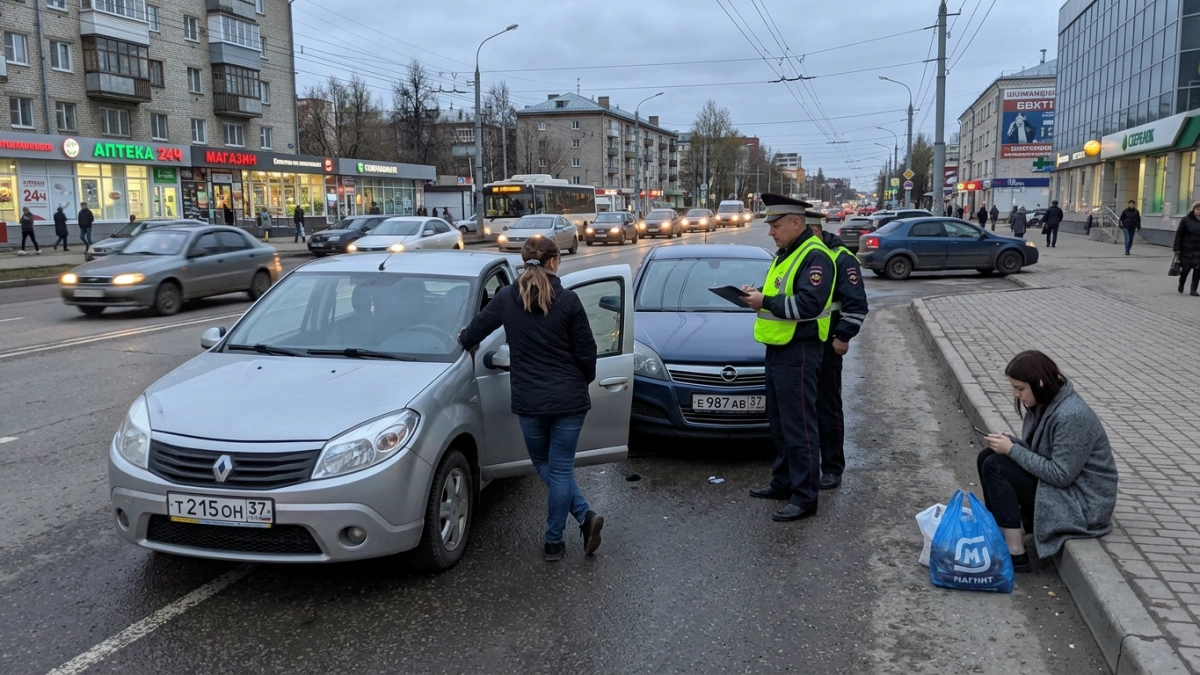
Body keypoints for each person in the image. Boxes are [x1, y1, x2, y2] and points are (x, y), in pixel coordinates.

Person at [458, 237, 605, 561]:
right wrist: (582, 380)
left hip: (530, 400)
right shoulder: (568, 301)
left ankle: (569, 529)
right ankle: (569, 528)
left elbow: (474, 332)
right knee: (561, 469)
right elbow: (587, 353)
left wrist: (460, 339)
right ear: (554, 261)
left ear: (525, 262)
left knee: (543, 463)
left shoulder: (508, 297)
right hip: (569, 399)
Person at [740, 194, 836, 522]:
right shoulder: (788, 253)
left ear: (797, 223)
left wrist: (764, 301)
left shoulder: (816, 256)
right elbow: (783, 294)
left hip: (800, 351)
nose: (770, 232)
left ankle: (805, 497)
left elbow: (807, 305)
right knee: (780, 424)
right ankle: (783, 482)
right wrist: (756, 295)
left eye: (776, 225)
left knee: (800, 427)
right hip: (779, 349)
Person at [978, 350, 1117, 571]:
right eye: (1014, 387)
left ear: (1040, 382)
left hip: (1084, 504)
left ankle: (1015, 554)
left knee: (997, 465)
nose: (1016, 394)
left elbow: (1061, 475)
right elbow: (1042, 456)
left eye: (1020, 388)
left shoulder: (1072, 416)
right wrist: (1010, 444)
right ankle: (1000, 534)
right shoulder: (1043, 404)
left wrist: (1013, 450)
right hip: (1066, 488)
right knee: (988, 456)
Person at [805, 212, 869, 490]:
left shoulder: (841, 257)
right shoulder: (796, 254)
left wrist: (843, 337)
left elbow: (856, 304)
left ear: (816, 231)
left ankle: (832, 467)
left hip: (828, 344)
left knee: (827, 406)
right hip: (800, 343)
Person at [1174, 201, 1200, 296]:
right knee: (1185, 270)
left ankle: (1193, 290)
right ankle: (1181, 283)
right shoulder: (1186, 220)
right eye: (1198, 209)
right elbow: (1179, 234)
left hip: (1198, 250)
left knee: (1197, 271)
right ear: (1193, 210)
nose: (1199, 211)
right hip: (1187, 249)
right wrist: (1177, 248)